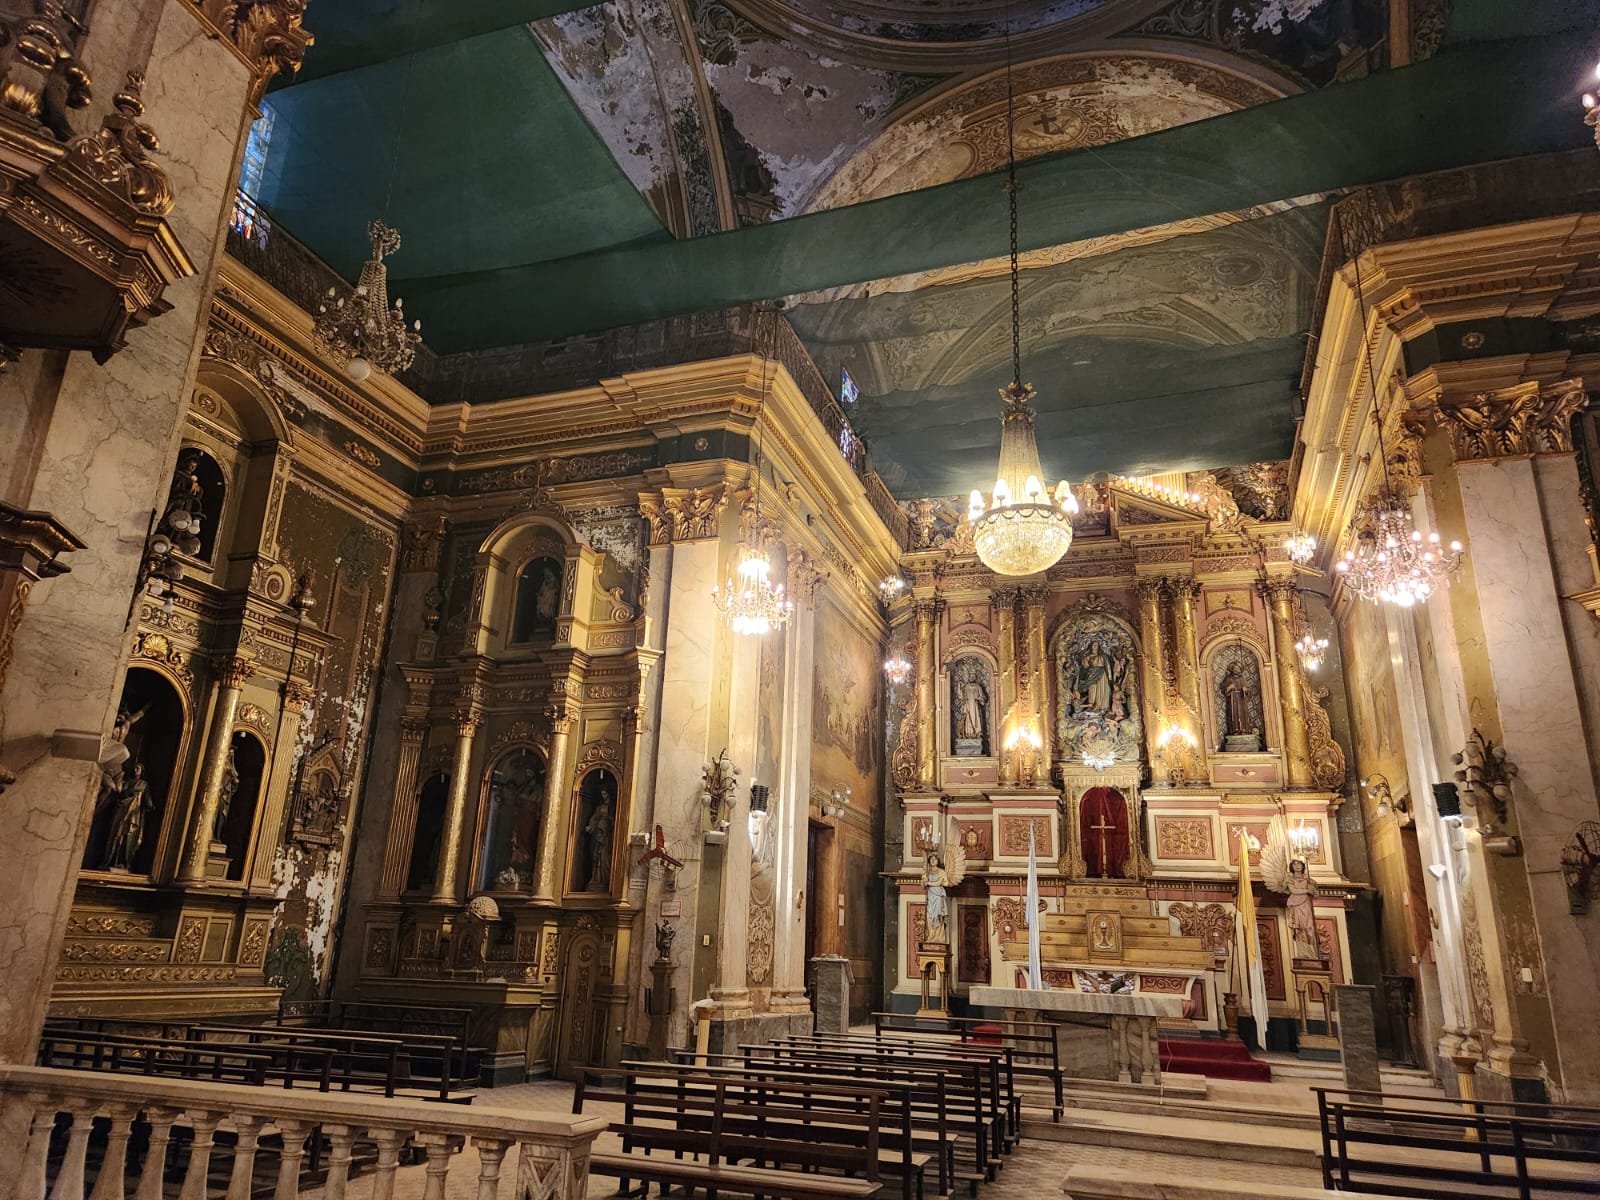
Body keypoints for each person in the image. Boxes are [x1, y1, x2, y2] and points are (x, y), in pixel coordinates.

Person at [103, 762, 152, 871]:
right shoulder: (126, 782)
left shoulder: (143, 784)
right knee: (116, 834)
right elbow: (121, 794)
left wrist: (149, 806)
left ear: (142, 771)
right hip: (122, 812)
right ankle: (111, 860)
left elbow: (147, 801)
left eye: (138, 768)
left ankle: (124, 862)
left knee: (128, 837)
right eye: (134, 768)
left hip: (133, 814)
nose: (135, 770)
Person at [1285, 858, 1321, 959]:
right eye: (1294, 864)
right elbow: (1293, 891)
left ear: (1303, 866)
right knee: (1300, 929)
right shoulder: (1290, 880)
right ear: (1291, 867)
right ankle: (1304, 953)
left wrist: (1312, 890)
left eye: (1299, 864)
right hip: (1297, 905)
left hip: (1306, 905)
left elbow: (1316, 895)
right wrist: (1306, 890)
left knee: (1309, 927)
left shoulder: (1309, 880)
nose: (1297, 866)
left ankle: (1312, 953)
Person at [924, 853, 950, 943]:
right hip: (931, 896)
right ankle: (931, 935)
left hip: (938, 895)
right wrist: (924, 881)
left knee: (938, 915)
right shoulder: (927, 872)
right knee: (930, 915)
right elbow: (923, 884)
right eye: (931, 859)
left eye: (935, 859)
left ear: (937, 861)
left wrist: (928, 883)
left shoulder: (941, 872)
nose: (933, 861)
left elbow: (940, 882)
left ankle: (939, 936)